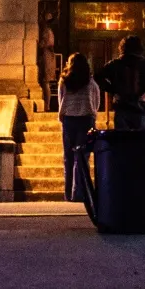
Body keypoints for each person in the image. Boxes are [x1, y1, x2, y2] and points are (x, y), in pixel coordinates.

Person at [56, 54, 102, 200]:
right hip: (86, 120)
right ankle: (80, 192)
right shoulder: (90, 81)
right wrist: (93, 113)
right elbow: (96, 100)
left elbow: (60, 99)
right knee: (82, 157)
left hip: (69, 120)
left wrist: (63, 114)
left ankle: (68, 193)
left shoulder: (64, 81)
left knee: (68, 157)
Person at [97, 36, 145, 131]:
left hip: (122, 105)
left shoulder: (115, 64)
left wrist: (113, 90)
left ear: (122, 48)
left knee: (123, 140)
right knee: (142, 140)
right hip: (141, 105)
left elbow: (98, 76)